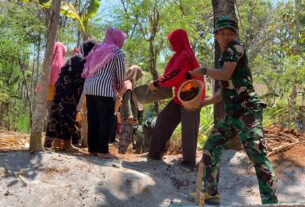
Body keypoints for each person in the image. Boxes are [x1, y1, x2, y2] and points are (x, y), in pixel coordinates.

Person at [189, 16, 278, 204]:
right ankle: (211, 193)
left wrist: (204, 70)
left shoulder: (236, 49)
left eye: (230, 32)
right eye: (222, 33)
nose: (226, 36)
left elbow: (226, 74)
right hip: (232, 115)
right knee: (211, 148)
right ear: (216, 36)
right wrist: (203, 103)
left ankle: (271, 201)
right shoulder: (223, 58)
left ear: (235, 34)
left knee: (257, 154)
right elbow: (224, 90)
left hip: (248, 112)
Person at [147, 29, 205, 170]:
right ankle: (154, 155)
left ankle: (189, 163)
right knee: (163, 121)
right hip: (180, 96)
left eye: (172, 41)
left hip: (192, 96)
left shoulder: (185, 56)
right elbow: (173, 77)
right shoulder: (179, 55)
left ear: (178, 41)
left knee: (188, 130)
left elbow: (175, 76)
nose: (170, 44)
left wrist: (156, 84)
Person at [82, 27, 127, 159]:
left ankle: (92, 149)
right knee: (106, 120)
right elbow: (120, 74)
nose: (122, 43)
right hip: (105, 90)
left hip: (89, 88)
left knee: (93, 119)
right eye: (122, 40)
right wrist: (119, 89)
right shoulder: (117, 52)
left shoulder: (96, 49)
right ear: (117, 39)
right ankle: (102, 150)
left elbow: (88, 66)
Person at [46, 40, 96, 151]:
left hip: (61, 92)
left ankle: (57, 142)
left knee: (57, 115)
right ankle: (66, 144)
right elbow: (79, 79)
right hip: (68, 94)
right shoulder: (81, 59)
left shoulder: (76, 57)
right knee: (67, 116)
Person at [44, 41, 67, 148]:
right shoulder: (61, 64)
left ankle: (48, 140)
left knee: (50, 115)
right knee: (56, 116)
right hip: (57, 92)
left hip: (47, 91)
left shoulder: (48, 61)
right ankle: (52, 141)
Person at [118, 65, 144, 154]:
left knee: (126, 135)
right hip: (127, 115)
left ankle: (121, 153)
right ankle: (121, 154)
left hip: (127, 114)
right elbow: (127, 101)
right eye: (138, 75)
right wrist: (130, 114)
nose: (138, 78)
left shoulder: (128, 83)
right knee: (125, 135)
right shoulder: (128, 84)